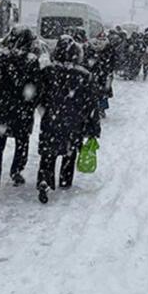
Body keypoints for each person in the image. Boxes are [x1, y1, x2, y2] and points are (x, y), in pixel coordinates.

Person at [0, 27, 41, 203]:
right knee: (22, 142)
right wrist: (31, 103)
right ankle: (16, 170)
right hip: (21, 111)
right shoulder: (31, 61)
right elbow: (36, 88)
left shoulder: (0, 58)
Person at [37, 36, 101, 204]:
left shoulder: (48, 72)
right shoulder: (84, 75)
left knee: (48, 153)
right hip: (74, 121)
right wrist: (93, 128)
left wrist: (44, 108)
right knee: (69, 152)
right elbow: (91, 104)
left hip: (51, 118)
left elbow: (39, 95)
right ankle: (65, 180)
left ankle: (44, 180)